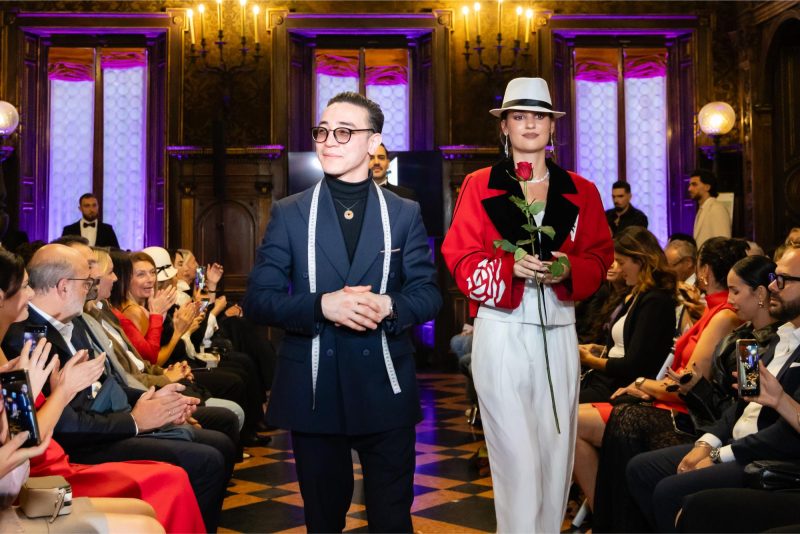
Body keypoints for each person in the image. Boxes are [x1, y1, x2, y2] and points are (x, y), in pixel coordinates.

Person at [243, 91, 441, 533]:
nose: (329, 140)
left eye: (345, 132)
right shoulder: (290, 213)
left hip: (385, 385)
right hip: (315, 388)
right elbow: (259, 299)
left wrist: (390, 305)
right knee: (323, 519)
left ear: (374, 143)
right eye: (323, 131)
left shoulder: (404, 213)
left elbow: (428, 293)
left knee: (391, 519)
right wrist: (321, 305)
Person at [441, 77, 614, 532]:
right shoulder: (480, 184)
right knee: (517, 459)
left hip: (560, 332)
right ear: (505, 126)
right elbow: (459, 255)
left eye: (539, 116)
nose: (530, 124)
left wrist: (567, 269)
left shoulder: (581, 189)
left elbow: (600, 256)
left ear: (553, 127)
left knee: (555, 457)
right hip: (501, 327)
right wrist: (507, 268)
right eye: (520, 116)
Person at [3, 244, 235, 532]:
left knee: (204, 453)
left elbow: (110, 383)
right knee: (195, 465)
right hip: (66, 452)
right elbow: (37, 436)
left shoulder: (71, 323)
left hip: (73, 440)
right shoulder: (27, 339)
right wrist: (135, 420)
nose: (31, 294)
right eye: (25, 286)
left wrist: (154, 401)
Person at [627, 246, 800, 532]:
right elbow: (740, 405)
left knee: (671, 491)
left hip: (767, 456)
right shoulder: (773, 338)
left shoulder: (754, 334)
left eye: (782, 280)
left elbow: (783, 432)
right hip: (732, 437)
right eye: (773, 278)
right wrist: (706, 444)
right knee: (640, 468)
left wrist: (719, 455)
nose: (773, 286)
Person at [577, 226, 677, 404]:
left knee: (557, 406)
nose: (619, 269)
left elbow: (633, 364)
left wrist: (590, 360)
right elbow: (624, 347)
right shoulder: (636, 294)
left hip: (620, 387)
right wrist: (598, 350)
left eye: (621, 263)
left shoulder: (655, 301)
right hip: (607, 381)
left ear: (640, 261)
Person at [689, 170, 731, 248]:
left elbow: (723, 243)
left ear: (707, 187)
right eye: (690, 185)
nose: (690, 189)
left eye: (694, 184)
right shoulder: (702, 209)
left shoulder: (717, 209)